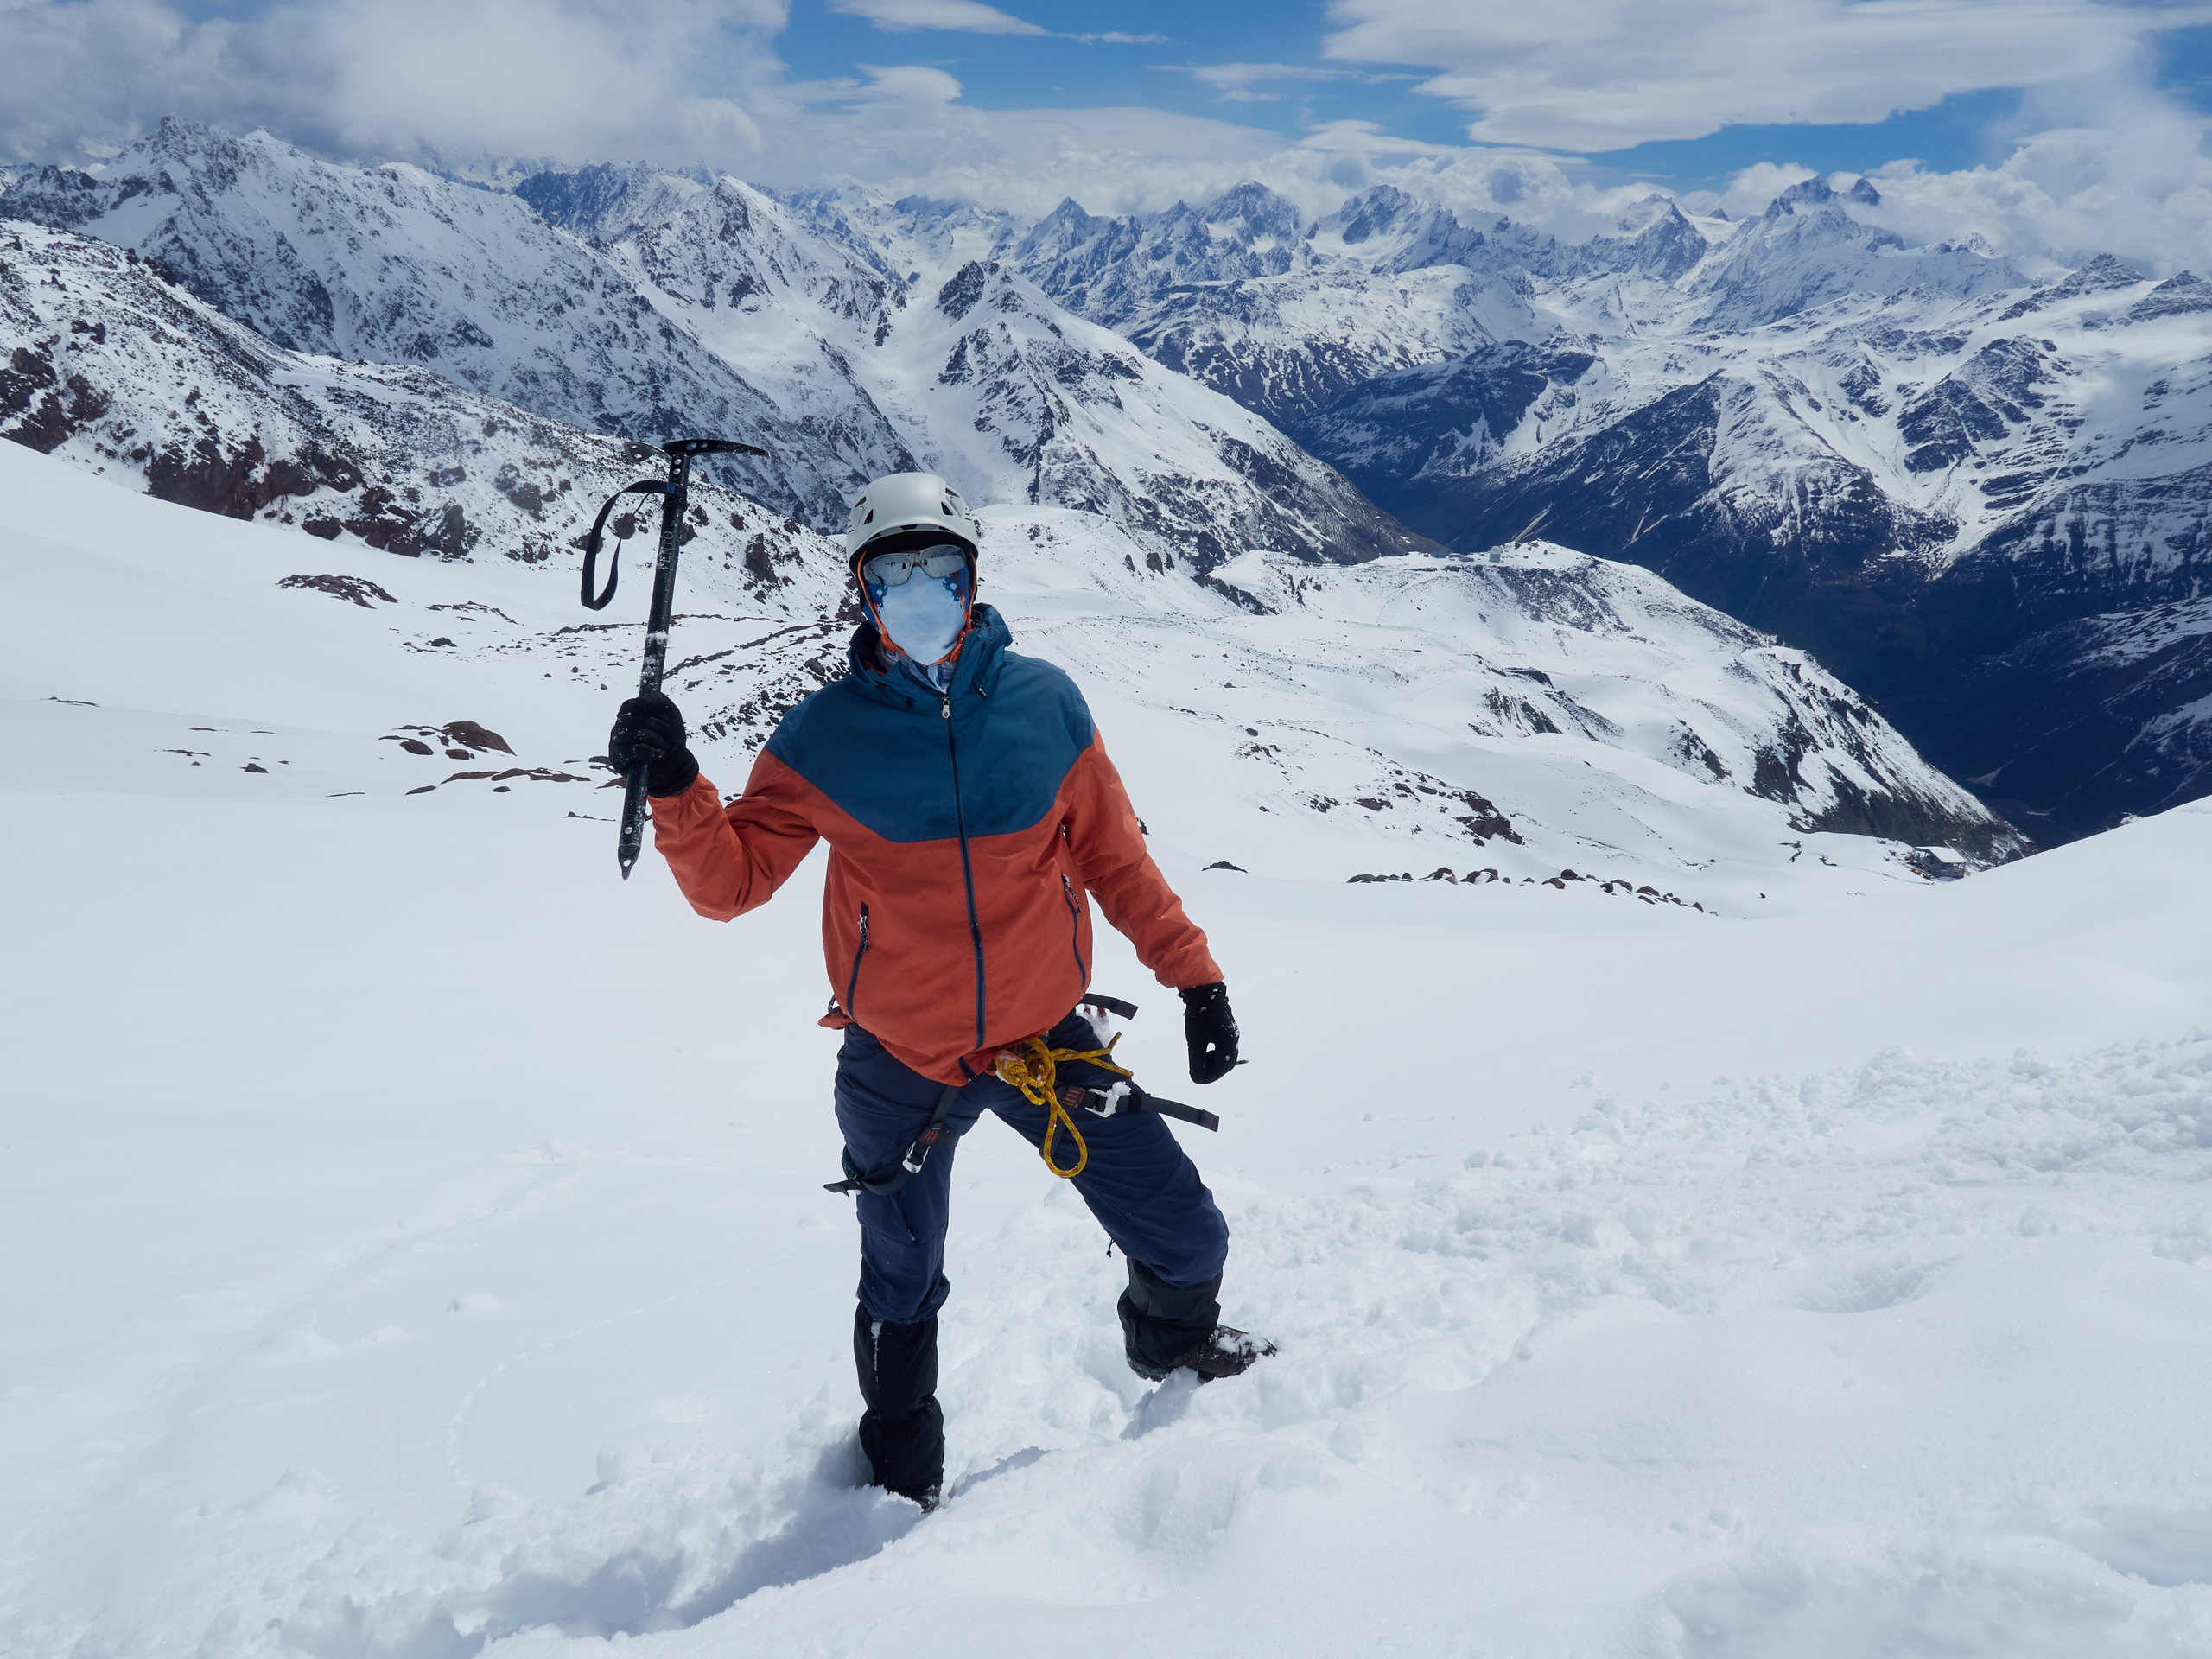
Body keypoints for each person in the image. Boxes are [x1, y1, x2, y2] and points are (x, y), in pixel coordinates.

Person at [607, 471, 1268, 1511]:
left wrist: (1196, 978)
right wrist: (676, 786)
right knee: (901, 1284)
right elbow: (731, 886)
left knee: (1188, 1236)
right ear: (863, 593)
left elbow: (1117, 862)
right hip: (897, 1059)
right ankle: (898, 1471)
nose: (921, 592)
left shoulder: (1048, 706)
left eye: (941, 570)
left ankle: (1177, 1364)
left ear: (973, 580)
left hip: (1044, 1041)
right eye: (894, 573)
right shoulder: (821, 738)